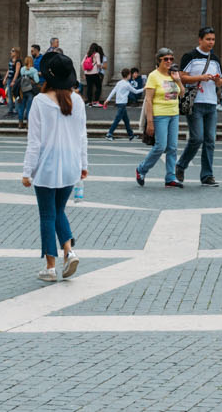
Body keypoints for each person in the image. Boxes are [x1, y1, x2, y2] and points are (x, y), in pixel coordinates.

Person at [20, 49, 89, 283]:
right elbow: (83, 136)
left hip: (46, 166)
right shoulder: (77, 100)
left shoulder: (39, 102)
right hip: (71, 163)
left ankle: (50, 267)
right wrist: (83, 164)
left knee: (47, 215)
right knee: (59, 211)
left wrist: (27, 171)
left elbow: (35, 142)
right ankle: (69, 252)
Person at [176, 27, 222, 186]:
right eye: (208, 39)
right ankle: (181, 165)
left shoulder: (216, 59)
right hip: (195, 102)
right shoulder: (190, 56)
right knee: (197, 138)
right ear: (200, 40)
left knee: (210, 140)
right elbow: (181, 78)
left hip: (211, 103)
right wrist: (201, 77)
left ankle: (207, 175)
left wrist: (218, 81)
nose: (211, 42)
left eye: (213, 39)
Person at [135, 49, 182, 187]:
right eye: (165, 59)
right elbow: (148, 100)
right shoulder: (153, 76)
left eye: (171, 59)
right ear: (159, 60)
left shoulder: (173, 74)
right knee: (160, 146)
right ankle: (142, 169)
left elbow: (182, 93)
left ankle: (170, 177)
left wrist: (178, 80)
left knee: (172, 147)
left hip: (174, 113)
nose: (169, 61)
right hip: (160, 114)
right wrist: (150, 122)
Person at [106, 66, 141, 139]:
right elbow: (136, 91)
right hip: (123, 103)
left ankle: (131, 134)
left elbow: (113, 91)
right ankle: (109, 134)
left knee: (126, 120)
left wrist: (107, 99)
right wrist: (145, 88)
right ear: (128, 75)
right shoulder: (127, 84)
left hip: (119, 103)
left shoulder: (119, 83)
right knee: (117, 119)